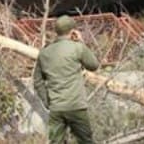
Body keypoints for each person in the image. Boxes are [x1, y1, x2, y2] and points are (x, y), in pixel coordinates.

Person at [34, 15, 100, 144]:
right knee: (86, 141)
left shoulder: (44, 53)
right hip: (76, 107)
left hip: (56, 108)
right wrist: (81, 41)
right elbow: (93, 65)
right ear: (73, 31)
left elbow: (37, 81)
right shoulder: (77, 48)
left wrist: (47, 101)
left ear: (56, 31)